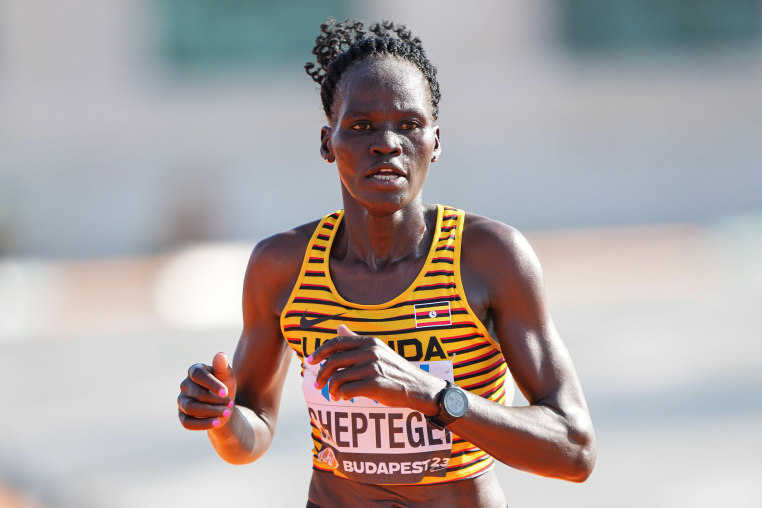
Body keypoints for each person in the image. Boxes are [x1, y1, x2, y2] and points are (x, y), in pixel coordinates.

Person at [177, 18, 596, 507]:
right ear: (326, 143)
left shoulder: (487, 258)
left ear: (435, 142)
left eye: (409, 125)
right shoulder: (283, 266)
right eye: (360, 126)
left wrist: (426, 393)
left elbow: (575, 449)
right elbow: (254, 431)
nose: (387, 143)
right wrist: (222, 418)